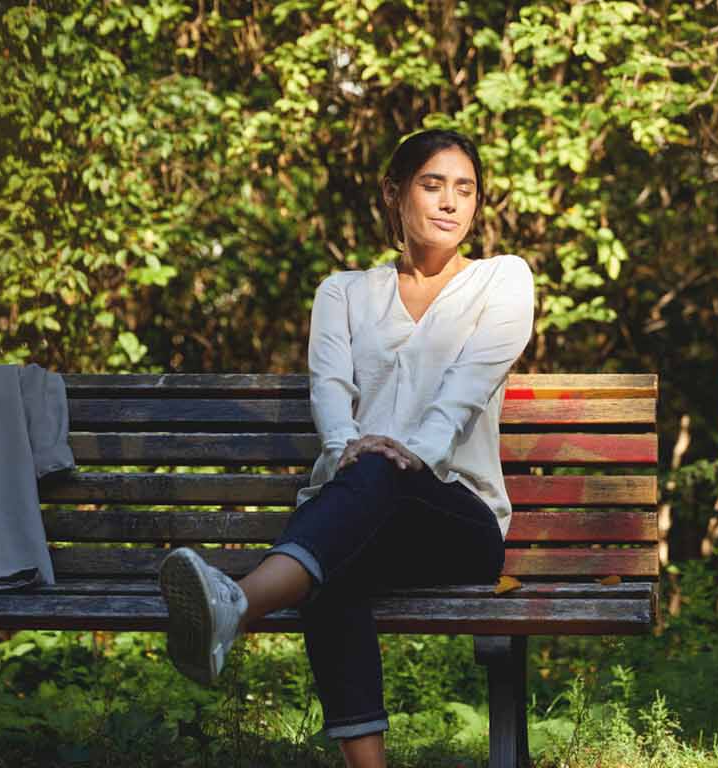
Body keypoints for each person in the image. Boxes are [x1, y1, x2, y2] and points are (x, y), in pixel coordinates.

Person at [158, 129, 535, 768]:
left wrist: (410, 456)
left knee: (371, 488)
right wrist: (347, 451)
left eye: (465, 190)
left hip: (457, 522)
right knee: (335, 559)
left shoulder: (503, 281)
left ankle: (239, 603)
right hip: (356, 507)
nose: (450, 203)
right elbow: (330, 396)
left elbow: (467, 388)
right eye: (432, 184)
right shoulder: (344, 292)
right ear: (394, 193)